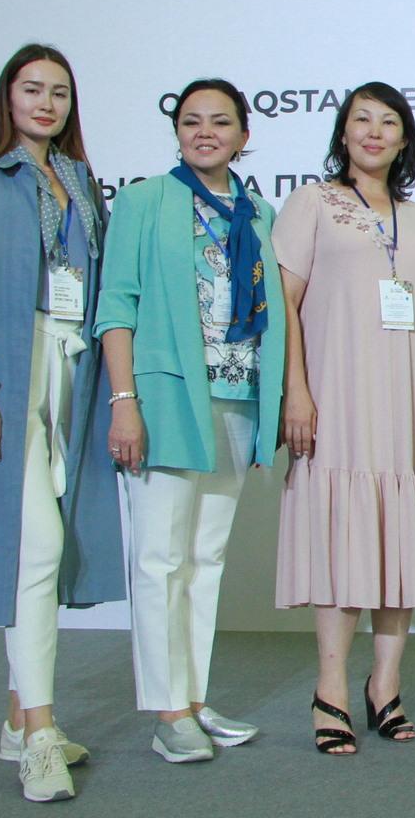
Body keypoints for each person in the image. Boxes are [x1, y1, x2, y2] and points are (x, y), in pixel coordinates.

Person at [0, 43, 124, 803]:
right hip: (10, 371)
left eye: (59, 92)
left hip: (73, 372)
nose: (46, 103)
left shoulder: (82, 183)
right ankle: (40, 732)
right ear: (8, 97)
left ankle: (17, 718)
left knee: (52, 543)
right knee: (34, 547)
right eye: (32, 89)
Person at [97, 79, 285, 764]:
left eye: (221, 122)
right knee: (159, 559)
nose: (206, 132)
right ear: (177, 132)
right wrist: (124, 402)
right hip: (167, 400)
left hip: (239, 398)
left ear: (243, 136)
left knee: (205, 559)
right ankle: (167, 710)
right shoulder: (144, 201)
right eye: (192, 121)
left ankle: (194, 697)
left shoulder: (259, 213)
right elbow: (116, 305)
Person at [275, 82, 415, 754]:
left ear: (405, 138)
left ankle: (386, 684)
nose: (375, 132)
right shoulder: (312, 202)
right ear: (343, 132)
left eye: (388, 122)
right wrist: (297, 391)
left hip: (407, 399)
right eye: (362, 120)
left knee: (398, 534)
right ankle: (330, 688)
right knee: (342, 538)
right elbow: (284, 304)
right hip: (338, 392)